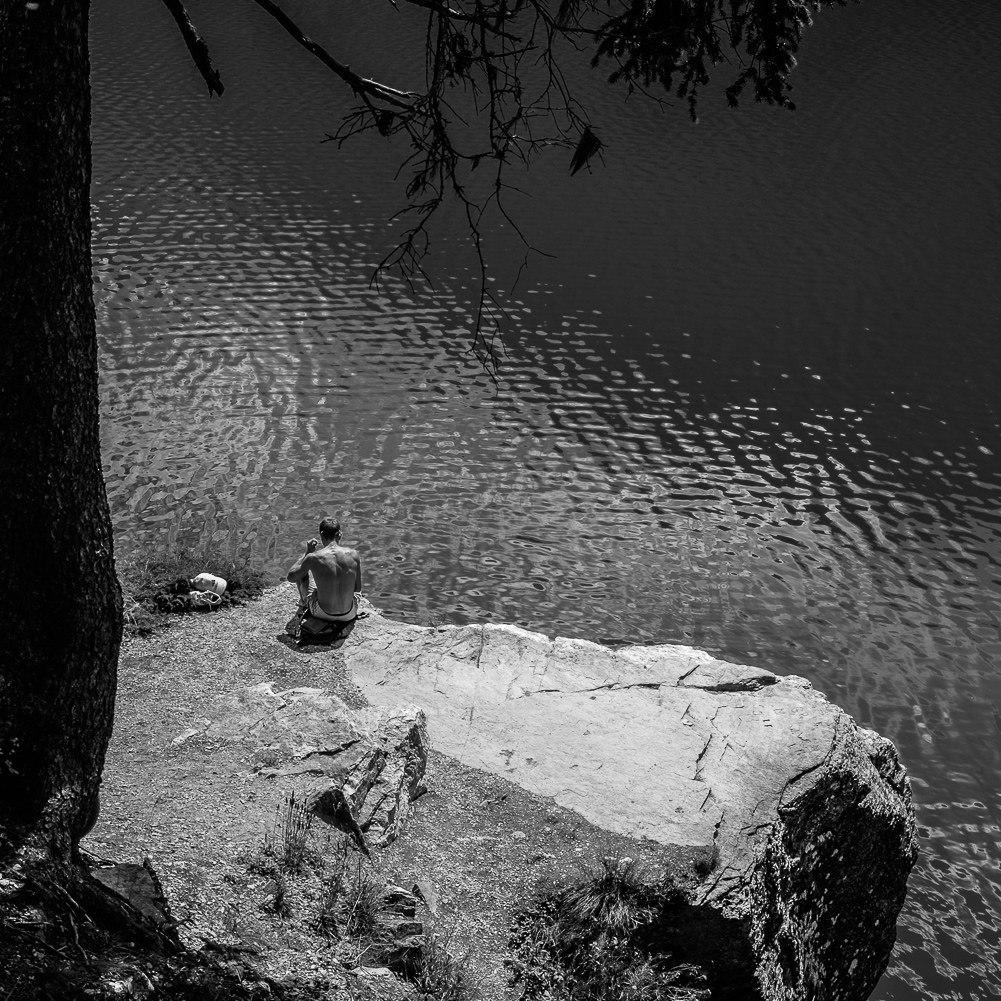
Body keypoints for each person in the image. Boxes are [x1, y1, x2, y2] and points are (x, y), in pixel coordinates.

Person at [286, 517, 362, 631]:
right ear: (339, 534)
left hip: (322, 614)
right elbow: (357, 588)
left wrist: (307, 553)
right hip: (349, 614)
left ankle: (304, 603)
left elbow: (291, 577)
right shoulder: (354, 554)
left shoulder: (313, 558)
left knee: (302, 572)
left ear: (321, 534)